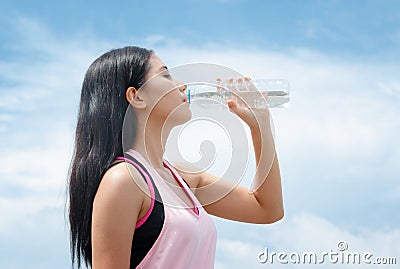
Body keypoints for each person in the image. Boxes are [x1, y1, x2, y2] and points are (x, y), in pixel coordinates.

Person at [67, 46, 284, 269]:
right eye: (165, 75)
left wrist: (260, 127)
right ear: (137, 96)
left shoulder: (183, 178)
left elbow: (267, 209)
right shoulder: (123, 181)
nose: (182, 85)